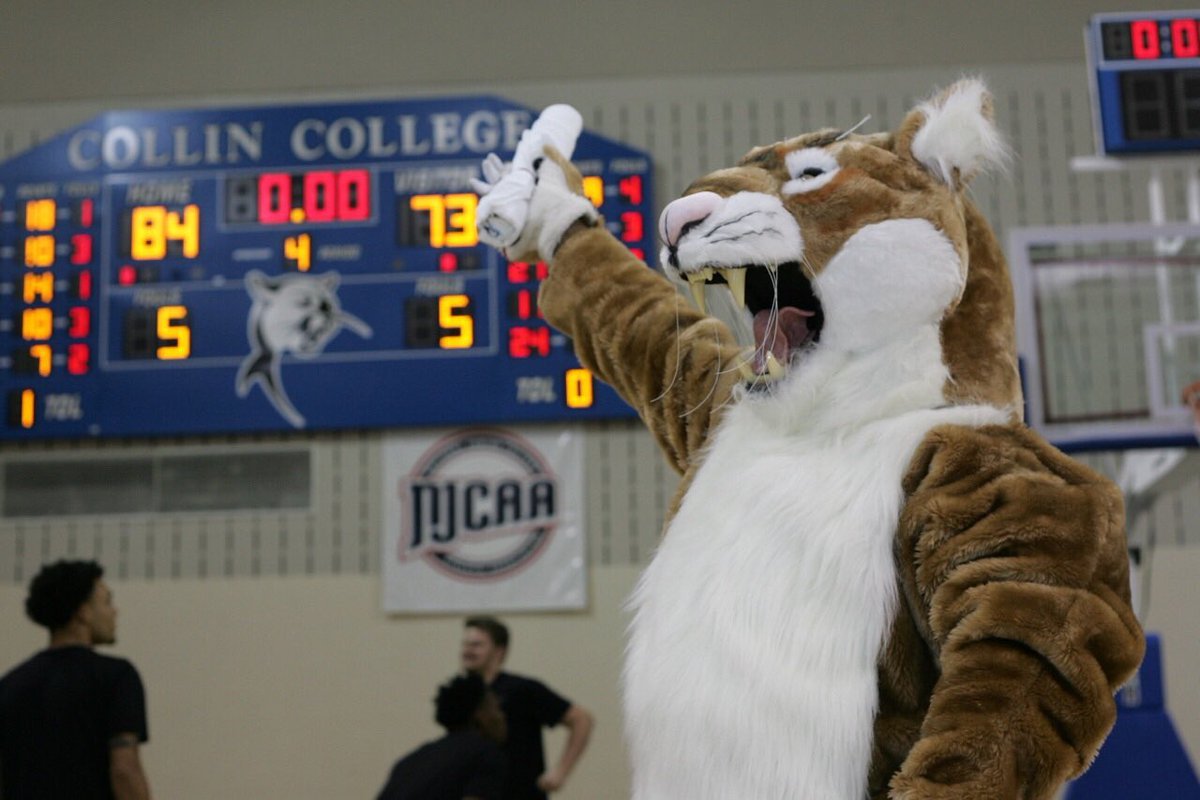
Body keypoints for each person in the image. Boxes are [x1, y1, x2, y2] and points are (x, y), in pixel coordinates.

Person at [0, 560, 152, 800]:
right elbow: (124, 770)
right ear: (83, 612)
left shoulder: (9, 686)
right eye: (107, 602)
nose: (114, 611)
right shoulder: (116, 677)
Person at [460, 616, 593, 800]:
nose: (467, 651)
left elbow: (581, 719)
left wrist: (561, 772)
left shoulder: (521, 689)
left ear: (499, 651)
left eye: (476, 645)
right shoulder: (461, 695)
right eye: (465, 645)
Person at [377, 673, 507, 800]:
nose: (502, 716)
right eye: (497, 708)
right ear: (480, 714)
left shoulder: (408, 763)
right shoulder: (484, 753)